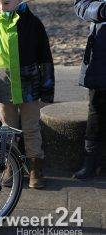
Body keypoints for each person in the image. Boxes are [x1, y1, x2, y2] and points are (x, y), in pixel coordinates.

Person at [0, 0, 55, 189]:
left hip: (29, 88)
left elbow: (45, 58)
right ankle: (11, 166)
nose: (1, 7)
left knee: (31, 128)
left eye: (6, 3)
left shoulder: (33, 24)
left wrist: (47, 90)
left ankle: (35, 167)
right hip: (4, 89)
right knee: (8, 129)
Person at [73, 0, 106, 180]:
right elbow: (81, 5)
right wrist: (101, 9)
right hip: (101, 53)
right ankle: (91, 162)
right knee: (96, 110)